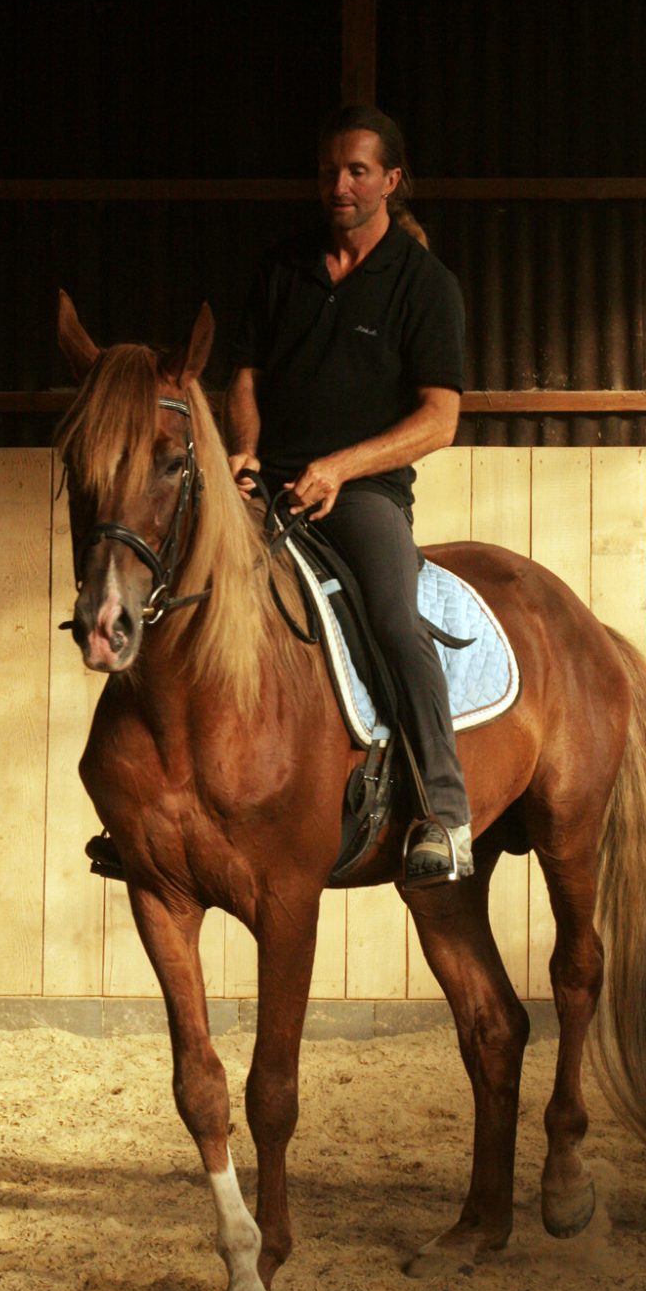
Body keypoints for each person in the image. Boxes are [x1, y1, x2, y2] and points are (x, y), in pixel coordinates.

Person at [225, 104, 473, 882]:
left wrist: (342, 468)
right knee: (180, 589)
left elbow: (439, 419)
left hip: (361, 495)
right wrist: (244, 452)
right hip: (266, 483)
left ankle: (444, 810)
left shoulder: (425, 284)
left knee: (397, 622)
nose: (340, 184)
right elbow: (245, 378)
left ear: (391, 181)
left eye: (359, 170)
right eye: (330, 170)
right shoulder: (280, 269)